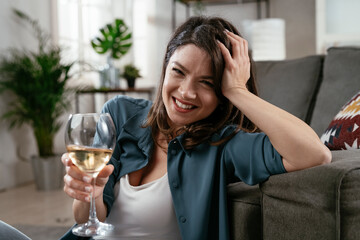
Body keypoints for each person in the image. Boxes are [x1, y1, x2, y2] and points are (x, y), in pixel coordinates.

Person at [61, 16, 331, 239]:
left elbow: (315, 153)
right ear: (165, 67)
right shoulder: (120, 114)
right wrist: (89, 194)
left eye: (207, 83)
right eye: (178, 71)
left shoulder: (223, 145)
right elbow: (84, 220)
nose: (186, 92)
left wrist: (238, 90)